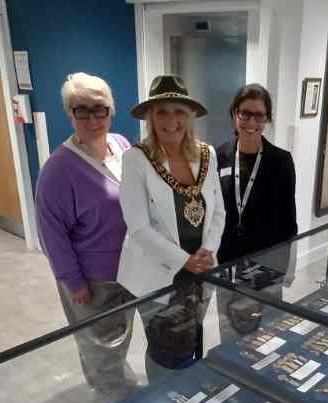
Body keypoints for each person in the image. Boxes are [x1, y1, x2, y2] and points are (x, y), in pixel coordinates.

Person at [36, 73, 135, 400]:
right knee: (100, 346)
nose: (93, 118)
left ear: (112, 111)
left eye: (100, 109)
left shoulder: (121, 145)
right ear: (69, 113)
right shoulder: (58, 170)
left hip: (131, 269)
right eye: (82, 110)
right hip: (93, 280)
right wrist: (72, 281)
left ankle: (118, 383)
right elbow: (51, 233)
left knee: (120, 335)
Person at [117, 75, 225, 372]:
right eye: (161, 111)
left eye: (179, 111)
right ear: (150, 117)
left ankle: (188, 398)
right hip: (158, 274)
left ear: (190, 115)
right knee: (165, 351)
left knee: (191, 340)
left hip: (201, 269)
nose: (170, 120)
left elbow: (219, 212)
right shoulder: (135, 159)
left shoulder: (207, 154)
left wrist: (207, 251)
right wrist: (185, 260)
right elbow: (137, 226)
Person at [216, 83, 297, 265]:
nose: (251, 122)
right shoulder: (220, 156)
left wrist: (289, 266)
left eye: (259, 115)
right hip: (227, 260)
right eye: (245, 113)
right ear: (235, 114)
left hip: (267, 262)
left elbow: (288, 219)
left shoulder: (281, 161)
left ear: (267, 119)